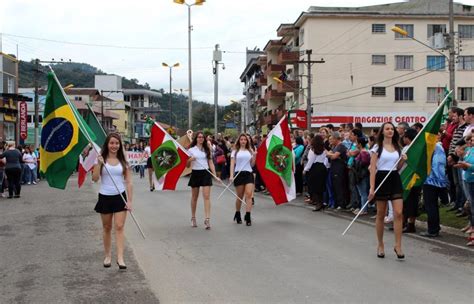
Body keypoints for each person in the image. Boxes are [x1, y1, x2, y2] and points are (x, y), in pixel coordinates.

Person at [92, 133, 133, 270]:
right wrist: (98, 164)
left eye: (117, 143)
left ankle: (120, 257)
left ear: (120, 145)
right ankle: (108, 255)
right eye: (112, 143)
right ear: (107, 145)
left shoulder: (124, 161)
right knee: (107, 227)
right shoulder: (101, 159)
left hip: (120, 196)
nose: (114, 146)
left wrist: (130, 201)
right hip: (105, 196)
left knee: (119, 227)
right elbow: (95, 179)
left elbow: (129, 182)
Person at [368, 122, 406, 259]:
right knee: (381, 214)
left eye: (392, 129)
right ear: (382, 132)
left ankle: (398, 245)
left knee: (398, 212)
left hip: (394, 178)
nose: (390, 131)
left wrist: (402, 160)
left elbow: (398, 167)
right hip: (381, 178)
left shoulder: (398, 147)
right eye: (387, 129)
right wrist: (372, 188)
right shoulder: (377, 148)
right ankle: (380, 244)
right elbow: (372, 168)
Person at [187, 132, 219, 230]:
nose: (201, 139)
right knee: (194, 197)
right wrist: (190, 160)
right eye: (199, 137)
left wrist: (215, 175)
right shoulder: (191, 150)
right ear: (196, 138)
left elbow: (210, 162)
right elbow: (187, 166)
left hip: (205, 173)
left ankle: (207, 219)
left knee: (206, 196)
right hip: (195, 173)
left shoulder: (207, 149)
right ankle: (193, 217)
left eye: (202, 137)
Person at [421, 134, 447, 237]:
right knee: (432, 206)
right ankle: (434, 227)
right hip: (430, 180)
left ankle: (432, 230)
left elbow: (438, 165)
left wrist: (440, 181)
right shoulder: (432, 147)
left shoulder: (437, 147)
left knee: (431, 206)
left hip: (432, 181)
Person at [230, 134, 257, 226]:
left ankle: (248, 215)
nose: (243, 141)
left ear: (247, 141)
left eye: (245, 140)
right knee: (239, 197)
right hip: (238, 174)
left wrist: (254, 156)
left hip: (248, 173)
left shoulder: (250, 150)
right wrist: (231, 175)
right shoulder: (235, 151)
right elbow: (232, 164)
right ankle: (237, 213)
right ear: (239, 141)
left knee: (249, 194)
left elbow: (252, 164)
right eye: (241, 139)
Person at [303, 135, 329, 211]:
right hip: (322, 167)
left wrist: (305, 169)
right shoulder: (324, 150)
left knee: (314, 186)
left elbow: (310, 161)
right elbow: (326, 159)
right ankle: (321, 202)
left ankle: (318, 203)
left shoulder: (313, 150)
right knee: (321, 186)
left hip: (314, 168)